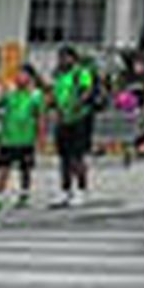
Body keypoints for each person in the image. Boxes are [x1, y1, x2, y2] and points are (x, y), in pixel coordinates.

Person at [0, 65, 44, 211]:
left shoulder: (36, 95)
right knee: (3, 169)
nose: (18, 77)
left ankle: (24, 195)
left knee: (25, 170)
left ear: (30, 77)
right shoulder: (9, 93)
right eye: (17, 74)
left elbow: (40, 117)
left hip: (26, 139)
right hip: (8, 138)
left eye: (22, 74)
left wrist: (40, 137)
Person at [49, 45, 98, 207]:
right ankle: (65, 191)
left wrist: (77, 104)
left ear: (72, 58)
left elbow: (87, 90)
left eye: (65, 57)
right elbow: (55, 95)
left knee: (77, 157)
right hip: (62, 120)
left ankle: (81, 190)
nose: (62, 60)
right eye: (60, 57)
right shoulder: (58, 75)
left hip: (79, 119)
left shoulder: (80, 73)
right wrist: (55, 107)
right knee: (64, 158)